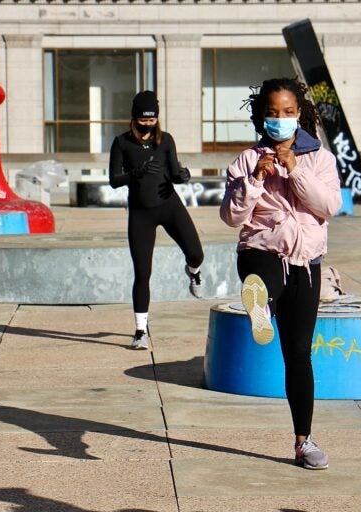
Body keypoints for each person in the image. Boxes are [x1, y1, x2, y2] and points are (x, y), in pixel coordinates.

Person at [219, 77, 342, 469]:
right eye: (272, 113)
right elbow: (231, 217)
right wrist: (255, 180)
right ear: (261, 117)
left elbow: (329, 206)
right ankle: (260, 302)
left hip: (306, 266)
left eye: (288, 112)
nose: (280, 120)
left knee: (299, 355)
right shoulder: (245, 161)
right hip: (260, 252)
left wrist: (294, 172)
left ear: (300, 114)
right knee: (264, 271)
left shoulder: (320, 159)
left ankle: (304, 442)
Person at [108, 90, 205, 350]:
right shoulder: (121, 143)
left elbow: (174, 173)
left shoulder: (166, 141)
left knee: (196, 253)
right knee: (143, 273)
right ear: (134, 118)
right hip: (141, 213)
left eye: (152, 120)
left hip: (169, 205)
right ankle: (140, 331)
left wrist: (183, 175)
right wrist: (134, 173)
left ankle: (193, 272)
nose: (147, 124)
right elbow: (114, 180)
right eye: (143, 119)